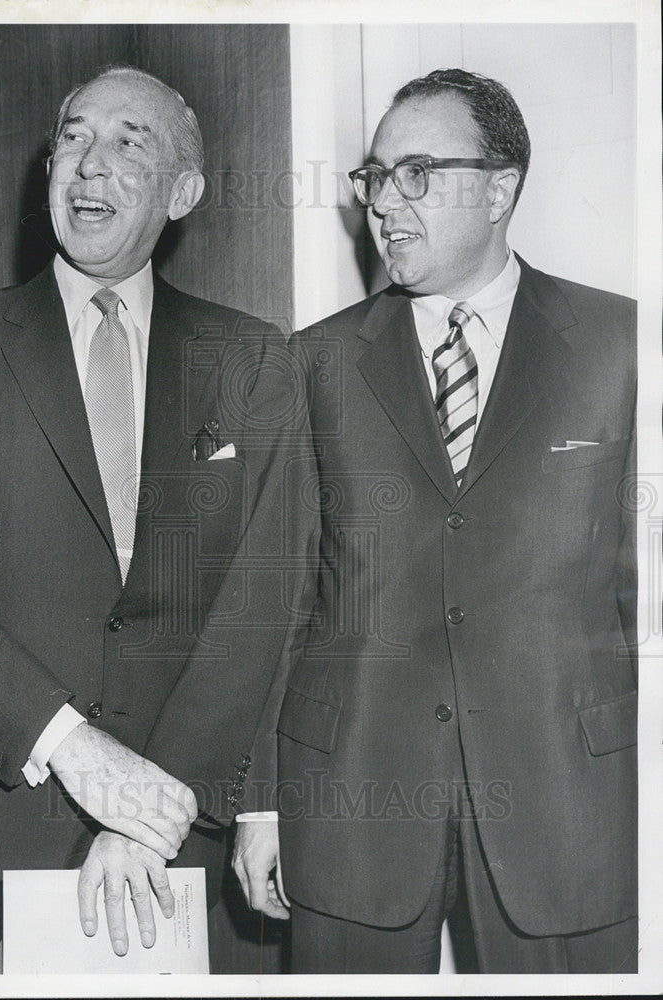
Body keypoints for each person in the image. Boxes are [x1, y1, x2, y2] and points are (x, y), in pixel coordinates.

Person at [0, 64, 313, 974]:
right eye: (74, 137)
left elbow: (268, 602)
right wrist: (74, 747)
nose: (90, 165)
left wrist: (154, 810)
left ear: (184, 191)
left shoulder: (253, 360)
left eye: (131, 143)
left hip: (191, 848)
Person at [233, 68, 637, 974]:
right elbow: (278, 600)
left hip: (575, 809)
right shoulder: (313, 363)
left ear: (502, 189)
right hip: (352, 807)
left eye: (418, 173)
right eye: (375, 177)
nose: (385, 203)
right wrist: (261, 804)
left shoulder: (622, 345)